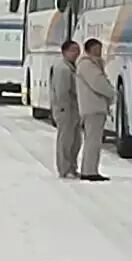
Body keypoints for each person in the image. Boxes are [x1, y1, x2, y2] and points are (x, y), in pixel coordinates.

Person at [75, 37, 115, 182]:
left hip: (94, 107)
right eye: (96, 49)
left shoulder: (90, 64)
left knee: (94, 141)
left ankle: (90, 169)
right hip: (93, 107)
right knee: (93, 141)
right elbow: (98, 83)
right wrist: (112, 92)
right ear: (89, 49)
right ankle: (89, 171)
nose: (99, 52)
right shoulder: (87, 65)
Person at [50, 41, 82, 178]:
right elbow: (62, 91)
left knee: (75, 141)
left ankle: (72, 167)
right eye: (73, 50)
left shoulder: (72, 67)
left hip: (74, 109)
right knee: (66, 140)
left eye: (77, 50)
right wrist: (64, 108)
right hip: (66, 109)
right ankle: (64, 168)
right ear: (64, 52)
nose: (76, 53)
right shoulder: (62, 68)